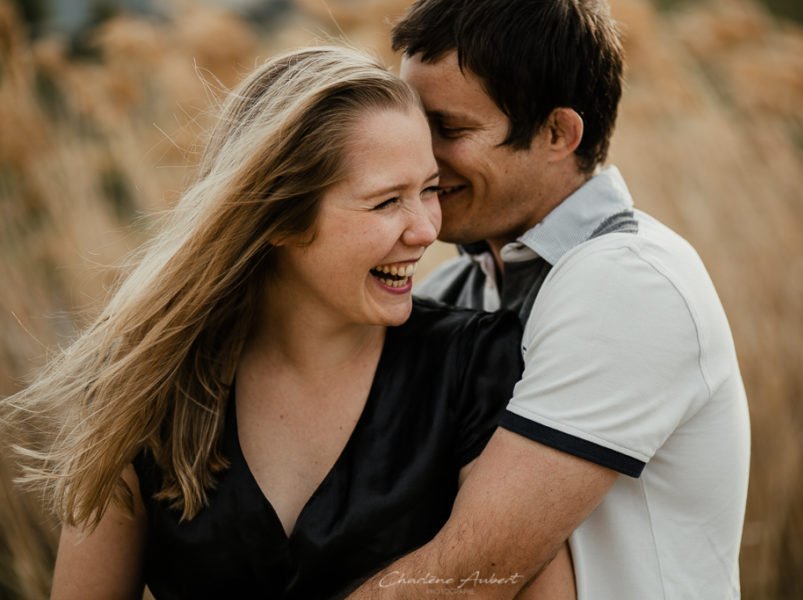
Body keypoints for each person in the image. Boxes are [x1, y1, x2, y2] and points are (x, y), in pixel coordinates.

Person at [3, 46, 526, 599]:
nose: (425, 229)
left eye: (428, 190)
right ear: (277, 217)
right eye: (385, 202)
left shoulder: (477, 366)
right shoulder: (146, 381)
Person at [346, 1, 751, 598]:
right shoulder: (449, 289)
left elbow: (471, 574)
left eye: (449, 130)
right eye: (413, 125)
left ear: (558, 133)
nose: (420, 158)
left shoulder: (630, 282)